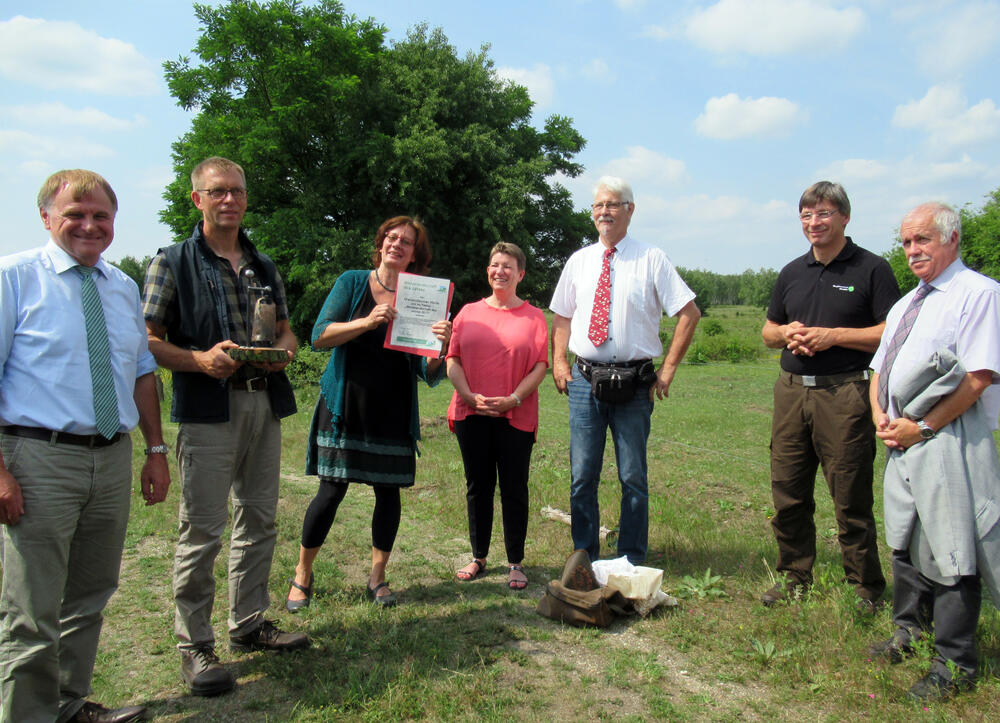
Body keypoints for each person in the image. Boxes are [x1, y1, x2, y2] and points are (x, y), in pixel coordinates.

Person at [0, 170, 170, 723]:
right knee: (31, 609)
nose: (89, 225)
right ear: (47, 217)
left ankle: (69, 706)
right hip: (38, 457)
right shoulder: (15, 278)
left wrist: (155, 450)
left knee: (90, 594)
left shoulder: (120, 288)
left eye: (101, 216)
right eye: (75, 213)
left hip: (111, 455)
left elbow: (142, 373)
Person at [143, 157, 308, 698]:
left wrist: (281, 354)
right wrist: (198, 359)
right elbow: (146, 340)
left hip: (263, 403)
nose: (229, 200)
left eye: (236, 191)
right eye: (217, 192)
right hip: (208, 410)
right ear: (198, 200)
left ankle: (249, 622)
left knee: (259, 519)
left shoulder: (262, 263)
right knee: (203, 529)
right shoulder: (172, 262)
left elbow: (288, 334)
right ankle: (194, 643)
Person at [867, 202, 1000, 701]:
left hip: (947, 438)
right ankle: (909, 631)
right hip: (900, 439)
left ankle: (956, 662)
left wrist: (921, 425)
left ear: (952, 239)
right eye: (905, 242)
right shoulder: (906, 303)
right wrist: (880, 412)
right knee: (904, 537)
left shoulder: (979, 294)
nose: (912, 251)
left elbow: (978, 377)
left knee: (953, 544)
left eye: (922, 239)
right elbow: (880, 367)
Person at [286, 216, 452, 611]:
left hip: (393, 408)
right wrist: (367, 320)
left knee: (388, 493)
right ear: (380, 244)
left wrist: (441, 348)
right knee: (330, 492)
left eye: (406, 242)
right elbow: (320, 336)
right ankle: (302, 574)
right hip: (345, 405)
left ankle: (377, 577)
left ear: (415, 254)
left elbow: (425, 374)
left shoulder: (422, 295)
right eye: (391, 238)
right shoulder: (352, 282)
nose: (397, 245)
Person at [761, 181, 900, 610]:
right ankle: (794, 576)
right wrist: (786, 334)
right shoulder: (792, 272)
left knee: (849, 493)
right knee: (787, 489)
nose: (813, 223)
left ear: (844, 217)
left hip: (844, 391)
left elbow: (891, 332)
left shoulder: (872, 269)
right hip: (791, 393)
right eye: (806, 215)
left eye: (822, 214)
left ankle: (864, 587)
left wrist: (832, 336)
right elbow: (768, 331)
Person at [549, 176, 700, 564]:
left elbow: (689, 312)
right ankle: (584, 554)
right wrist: (559, 360)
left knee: (632, 476)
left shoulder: (652, 258)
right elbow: (562, 316)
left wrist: (667, 371)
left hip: (634, 384)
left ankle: (631, 558)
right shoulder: (579, 261)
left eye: (613, 204)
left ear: (630, 210)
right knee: (582, 475)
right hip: (584, 381)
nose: (604, 212)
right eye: (599, 205)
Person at [447, 242, 549, 590]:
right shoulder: (467, 313)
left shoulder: (534, 317)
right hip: (470, 413)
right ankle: (478, 557)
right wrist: (467, 395)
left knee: (514, 488)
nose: (499, 271)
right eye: (494, 264)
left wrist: (514, 398)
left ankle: (516, 562)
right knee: (477, 487)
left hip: (515, 415)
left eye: (507, 266)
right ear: (487, 271)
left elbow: (539, 366)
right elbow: (453, 358)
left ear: (521, 274)